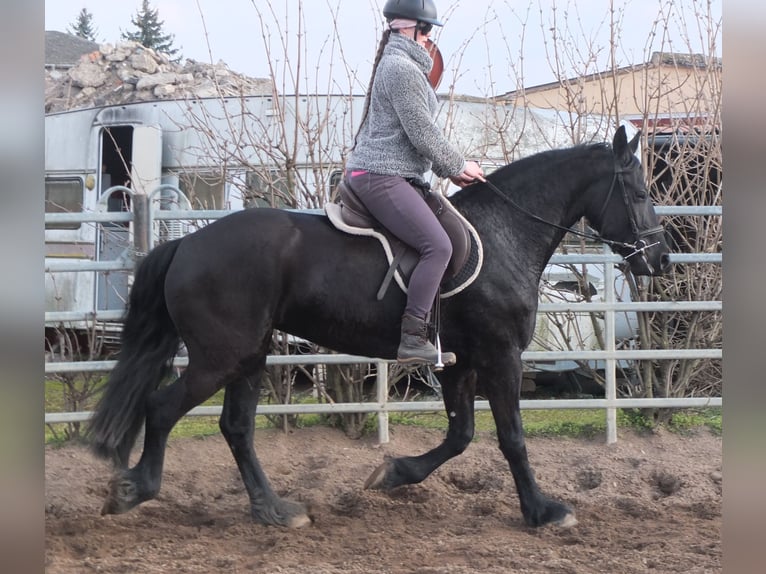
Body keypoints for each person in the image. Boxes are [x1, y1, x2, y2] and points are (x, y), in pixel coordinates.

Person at [345, 0, 484, 366]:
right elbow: (422, 132)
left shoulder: (398, 66)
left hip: (393, 173)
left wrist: (448, 171)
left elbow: (412, 136)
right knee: (438, 246)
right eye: (427, 32)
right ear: (411, 30)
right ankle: (412, 335)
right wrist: (457, 164)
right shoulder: (401, 68)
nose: (428, 40)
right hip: (380, 175)